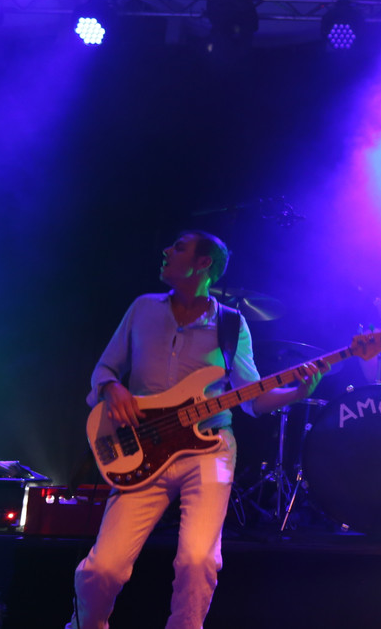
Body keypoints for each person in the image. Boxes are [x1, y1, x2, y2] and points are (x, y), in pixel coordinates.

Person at [67, 230, 324, 629]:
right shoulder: (143, 308)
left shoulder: (231, 324)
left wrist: (296, 392)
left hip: (210, 448)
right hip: (142, 447)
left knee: (199, 560)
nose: (167, 250)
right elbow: (105, 369)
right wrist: (111, 387)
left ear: (203, 264)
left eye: (179, 247)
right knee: (103, 568)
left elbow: (251, 399)